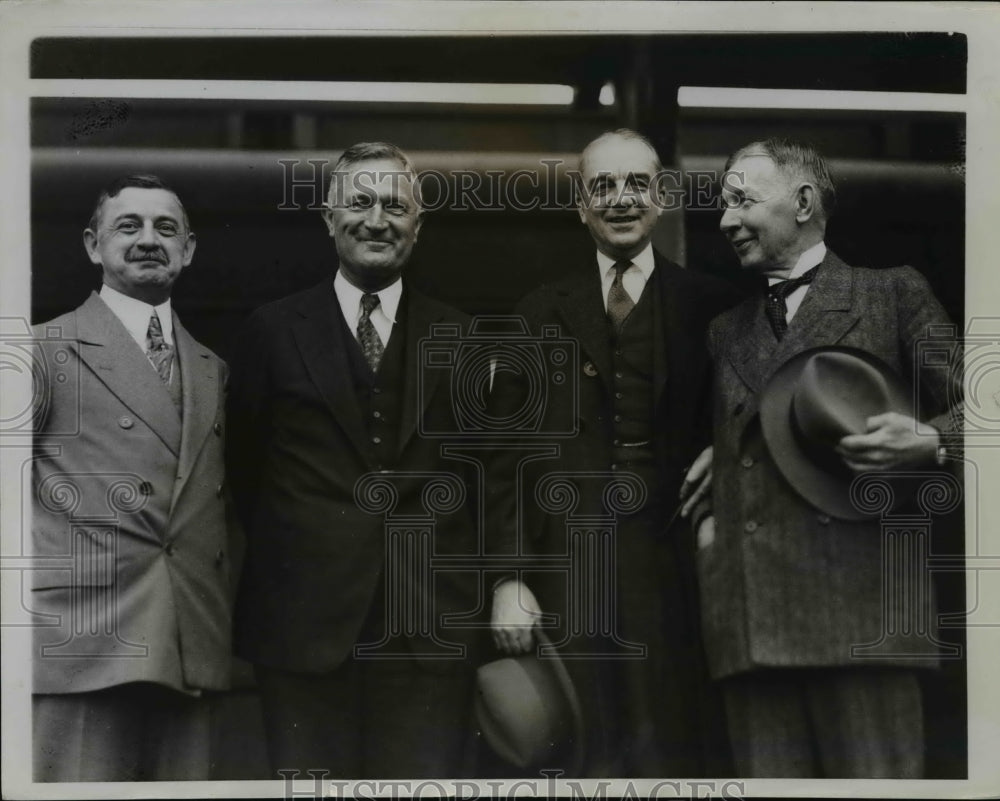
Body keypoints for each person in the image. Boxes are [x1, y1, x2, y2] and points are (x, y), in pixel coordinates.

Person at [696, 137, 963, 778]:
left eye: (742, 201)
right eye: (723, 205)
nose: (726, 220)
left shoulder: (891, 294)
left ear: (804, 202)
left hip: (862, 616)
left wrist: (932, 439)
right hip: (750, 623)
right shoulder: (724, 329)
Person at [488, 129, 739, 777]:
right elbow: (506, 456)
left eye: (637, 185)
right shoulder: (539, 310)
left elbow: (756, 418)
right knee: (579, 750)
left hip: (678, 571)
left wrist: (725, 447)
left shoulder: (713, 309)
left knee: (677, 749)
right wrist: (510, 577)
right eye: (603, 186)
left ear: (663, 199)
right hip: (566, 571)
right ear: (580, 204)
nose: (620, 199)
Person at [227, 142, 479, 778]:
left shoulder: (462, 335)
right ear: (328, 218)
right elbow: (245, 470)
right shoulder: (271, 330)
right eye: (360, 202)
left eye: (395, 206)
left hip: (426, 624)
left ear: (417, 226)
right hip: (301, 624)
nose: (377, 219)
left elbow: (484, 476)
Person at [31, 174, 235, 781]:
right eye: (130, 225)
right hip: (83, 637)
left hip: (188, 637)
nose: (149, 240)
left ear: (190, 249)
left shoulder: (211, 367)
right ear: (93, 245)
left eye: (165, 228)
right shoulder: (42, 349)